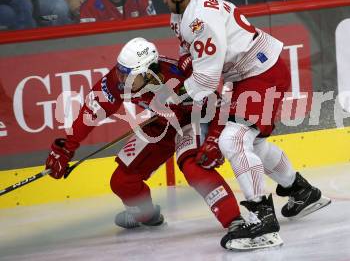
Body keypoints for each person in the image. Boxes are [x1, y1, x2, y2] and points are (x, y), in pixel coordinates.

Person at [158, 0, 331, 250]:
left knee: (233, 140)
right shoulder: (183, 14)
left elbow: (205, 81)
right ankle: (302, 191)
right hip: (251, 74)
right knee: (253, 144)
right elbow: (192, 59)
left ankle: (263, 221)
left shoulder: (198, 20)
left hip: (260, 73)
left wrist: (168, 99)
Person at [45, 37, 241, 233]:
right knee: (122, 181)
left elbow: (217, 105)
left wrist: (214, 138)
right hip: (162, 123)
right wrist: (66, 147)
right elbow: (91, 110)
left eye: (128, 75)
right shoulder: (118, 80)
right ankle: (145, 213)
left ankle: (234, 220)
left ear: (149, 72)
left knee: (193, 167)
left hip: (194, 119)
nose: (121, 80)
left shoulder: (179, 78)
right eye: (120, 72)